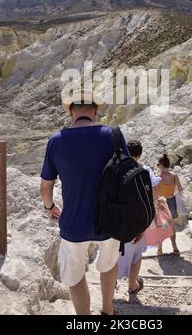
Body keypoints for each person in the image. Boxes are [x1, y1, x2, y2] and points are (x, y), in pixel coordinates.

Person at [40, 88, 129, 315]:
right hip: (109, 220)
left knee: (75, 274)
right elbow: (128, 178)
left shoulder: (56, 141)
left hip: (73, 221)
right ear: (96, 110)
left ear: (71, 111)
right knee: (108, 265)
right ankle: (108, 310)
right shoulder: (113, 136)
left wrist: (50, 208)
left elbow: (46, 186)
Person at [117, 140, 163, 295]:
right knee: (137, 253)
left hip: (120, 219)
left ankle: (110, 286)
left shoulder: (117, 170)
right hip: (140, 220)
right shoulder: (145, 170)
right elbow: (155, 193)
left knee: (116, 252)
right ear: (140, 154)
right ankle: (132, 285)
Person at [156, 153, 183, 256]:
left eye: (158, 164)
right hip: (172, 202)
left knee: (161, 225)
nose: (158, 166)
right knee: (171, 225)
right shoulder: (174, 176)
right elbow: (180, 189)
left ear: (162, 165)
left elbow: (156, 193)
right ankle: (175, 246)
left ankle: (159, 248)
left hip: (162, 203)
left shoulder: (159, 178)